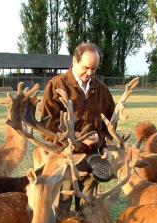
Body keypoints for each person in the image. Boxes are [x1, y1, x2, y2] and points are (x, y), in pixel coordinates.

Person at [40, 42, 116, 212]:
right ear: (75, 61)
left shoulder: (101, 89)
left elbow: (109, 124)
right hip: (65, 161)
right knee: (61, 211)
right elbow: (47, 126)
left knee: (88, 212)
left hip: (92, 161)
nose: (89, 73)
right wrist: (79, 138)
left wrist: (103, 144)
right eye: (86, 67)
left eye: (94, 69)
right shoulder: (56, 86)